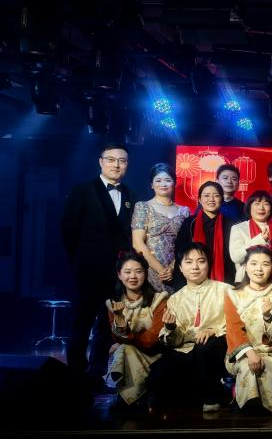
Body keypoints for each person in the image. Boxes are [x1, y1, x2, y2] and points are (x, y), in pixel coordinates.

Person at [62, 142, 135, 385]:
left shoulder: (131, 195)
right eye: (111, 159)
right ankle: (75, 377)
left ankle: (95, 376)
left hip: (117, 274)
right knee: (81, 323)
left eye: (122, 160)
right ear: (101, 162)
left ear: (127, 165)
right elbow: (68, 230)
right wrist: (80, 262)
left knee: (107, 325)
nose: (117, 164)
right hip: (87, 270)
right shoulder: (82, 190)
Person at [150, 242, 231, 412]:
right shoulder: (175, 299)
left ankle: (212, 398)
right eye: (188, 262)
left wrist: (214, 331)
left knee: (204, 350)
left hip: (217, 344)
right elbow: (174, 341)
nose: (195, 267)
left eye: (201, 261)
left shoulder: (225, 290)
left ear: (208, 264)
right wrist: (170, 328)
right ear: (180, 268)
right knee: (158, 372)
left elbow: (237, 322)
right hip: (185, 348)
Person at [224, 247, 272, 415]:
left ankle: (258, 408)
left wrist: (268, 319)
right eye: (253, 264)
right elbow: (233, 329)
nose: (259, 269)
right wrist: (250, 353)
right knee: (248, 367)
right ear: (245, 267)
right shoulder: (233, 294)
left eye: (265, 264)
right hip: (242, 353)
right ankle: (248, 407)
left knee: (265, 368)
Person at [106, 253, 169, 406]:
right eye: (127, 272)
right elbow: (116, 338)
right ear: (119, 275)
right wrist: (119, 318)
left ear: (145, 274)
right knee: (125, 349)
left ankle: (126, 398)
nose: (133, 276)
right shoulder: (114, 304)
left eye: (138, 271)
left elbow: (152, 339)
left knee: (123, 349)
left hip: (155, 354)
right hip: (131, 352)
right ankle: (133, 398)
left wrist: (124, 340)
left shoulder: (159, 299)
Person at [132, 163, 190, 293]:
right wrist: (161, 270)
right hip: (150, 268)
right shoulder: (143, 207)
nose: (163, 184)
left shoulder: (184, 211)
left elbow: (186, 244)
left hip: (177, 269)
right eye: (158, 180)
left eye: (168, 180)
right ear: (151, 185)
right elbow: (137, 243)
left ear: (174, 183)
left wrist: (173, 268)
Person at [172, 181, 235, 289]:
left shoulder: (231, 224)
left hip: (223, 278)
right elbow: (179, 251)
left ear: (222, 199)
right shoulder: (189, 223)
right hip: (193, 275)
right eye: (206, 196)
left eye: (216, 195)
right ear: (200, 199)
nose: (211, 199)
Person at [228, 191, 272, 283]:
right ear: (249, 207)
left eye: (266, 204)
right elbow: (236, 258)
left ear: (271, 208)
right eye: (257, 203)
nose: (261, 208)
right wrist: (259, 240)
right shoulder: (239, 228)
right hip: (245, 281)